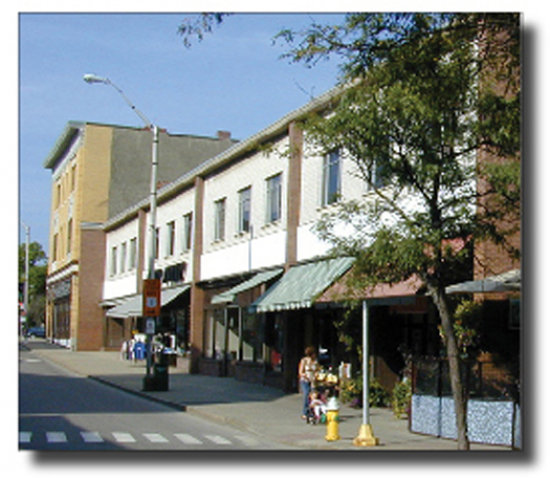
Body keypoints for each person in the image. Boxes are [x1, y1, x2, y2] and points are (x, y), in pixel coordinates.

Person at [298, 346, 319, 420]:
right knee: (307, 393)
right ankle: (305, 412)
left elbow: (317, 370)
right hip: (305, 380)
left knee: (314, 395)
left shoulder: (315, 361)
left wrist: (317, 375)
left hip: (313, 380)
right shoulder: (304, 361)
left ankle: (313, 411)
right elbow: (301, 372)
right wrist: (305, 376)